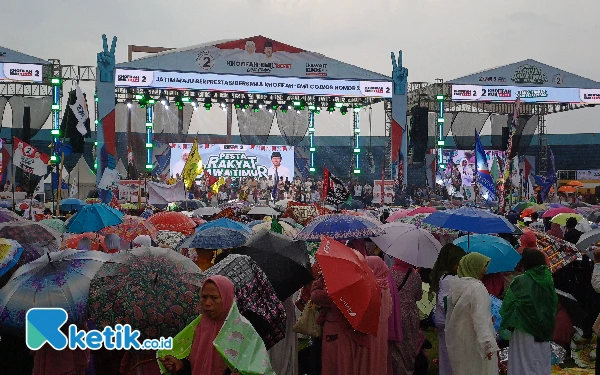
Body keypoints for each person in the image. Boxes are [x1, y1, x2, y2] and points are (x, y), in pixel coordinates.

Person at [160, 276, 242, 375]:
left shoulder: (241, 332)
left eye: (214, 298)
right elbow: (196, 366)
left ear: (227, 299)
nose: (207, 303)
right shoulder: (198, 327)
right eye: (204, 297)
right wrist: (180, 366)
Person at [500, 248, 557, 375]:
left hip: (523, 328)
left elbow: (508, 305)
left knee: (523, 361)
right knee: (541, 360)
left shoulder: (521, 281)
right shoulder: (548, 279)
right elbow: (552, 304)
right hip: (543, 328)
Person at [445, 252, 499, 375]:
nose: (485, 270)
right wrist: (487, 345)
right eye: (483, 266)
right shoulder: (477, 288)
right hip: (476, 342)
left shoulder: (455, 286)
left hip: (459, 338)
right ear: (473, 266)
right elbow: (480, 320)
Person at [310, 270, 368, 375]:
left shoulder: (353, 278)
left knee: (338, 363)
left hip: (338, 327)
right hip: (345, 328)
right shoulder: (359, 277)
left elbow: (316, 296)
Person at [430, 244, 467, 375]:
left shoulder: (444, 276)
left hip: (444, 321)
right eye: (458, 263)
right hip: (449, 322)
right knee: (450, 353)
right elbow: (444, 301)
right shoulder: (449, 279)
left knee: (446, 351)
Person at [389, 259, 422, 374]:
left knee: (396, 345)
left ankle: (398, 370)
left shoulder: (390, 274)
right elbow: (419, 296)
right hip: (411, 313)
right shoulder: (416, 276)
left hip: (395, 312)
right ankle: (409, 369)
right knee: (410, 343)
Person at [365, 257, 392, 375]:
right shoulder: (385, 286)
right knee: (380, 356)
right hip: (382, 328)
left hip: (371, 329)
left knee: (370, 358)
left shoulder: (371, 287)